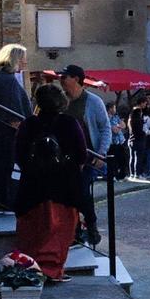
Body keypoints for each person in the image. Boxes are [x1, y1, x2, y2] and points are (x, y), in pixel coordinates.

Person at [12, 82, 88, 281]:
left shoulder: (28, 124)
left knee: (33, 233)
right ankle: (53, 271)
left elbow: (19, 155)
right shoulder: (70, 123)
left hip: (33, 189)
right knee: (60, 232)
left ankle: (32, 270)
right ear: (61, 101)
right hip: (64, 189)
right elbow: (81, 155)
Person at [60, 66, 110, 249]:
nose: (61, 79)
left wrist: (102, 152)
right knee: (68, 194)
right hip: (64, 158)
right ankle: (75, 229)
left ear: (76, 79)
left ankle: (90, 225)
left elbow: (105, 128)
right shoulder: (61, 101)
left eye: (64, 76)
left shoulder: (93, 101)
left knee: (82, 191)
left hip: (88, 156)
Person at [0, 44, 30, 211]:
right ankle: (7, 200)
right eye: (22, 58)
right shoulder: (7, 81)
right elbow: (14, 116)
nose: (24, 63)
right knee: (10, 172)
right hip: (8, 138)